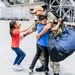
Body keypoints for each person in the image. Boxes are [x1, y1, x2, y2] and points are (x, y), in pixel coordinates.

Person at [24, 5, 63, 75]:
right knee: (41, 55)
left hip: (53, 39)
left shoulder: (49, 15)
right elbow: (33, 29)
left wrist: (39, 35)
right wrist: (24, 35)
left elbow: (48, 27)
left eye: (35, 12)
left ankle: (56, 72)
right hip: (44, 42)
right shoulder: (40, 19)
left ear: (40, 10)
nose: (34, 14)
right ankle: (44, 67)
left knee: (52, 56)